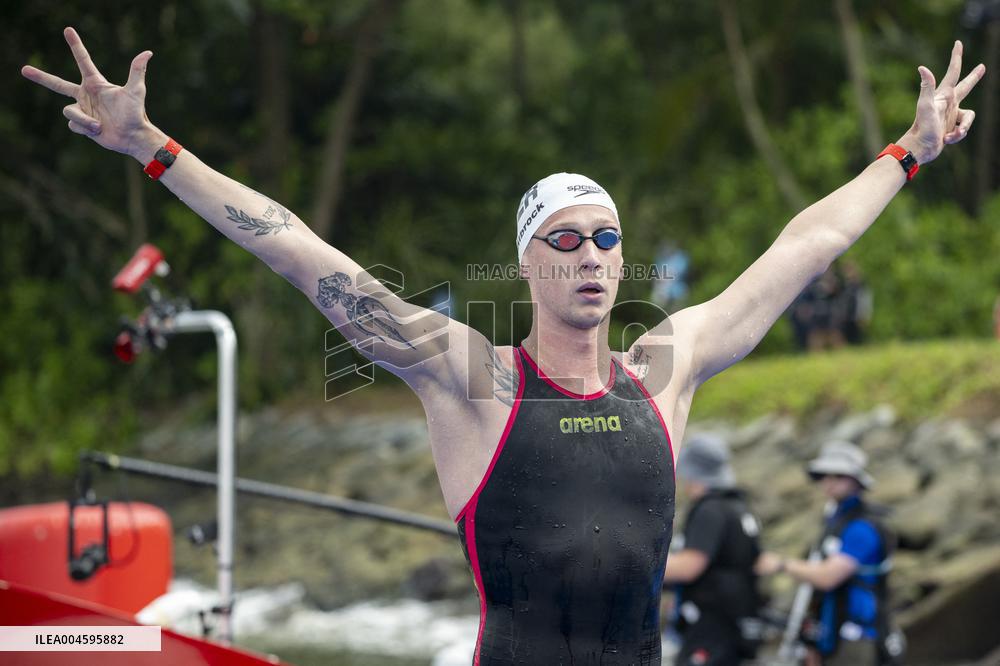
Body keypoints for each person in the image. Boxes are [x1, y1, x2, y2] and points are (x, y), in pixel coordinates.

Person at [21, 28, 982, 664]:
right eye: (565, 239)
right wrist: (156, 149)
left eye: (607, 237)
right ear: (526, 266)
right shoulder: (472, 378)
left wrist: (906, 154)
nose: (592, 256)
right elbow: (303, 256)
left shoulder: (666, 370)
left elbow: (804, 245)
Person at [757, 441, 900, 666]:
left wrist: (782, 564)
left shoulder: (862, 527)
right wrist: (815, 641)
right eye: (825, 475)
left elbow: (827, 577)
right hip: (832, 632)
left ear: (855, 480)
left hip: (858, 636)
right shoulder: (835, 520)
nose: (829, 482)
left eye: (838, 476)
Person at [663, 434, 763, 666]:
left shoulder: (710, 510)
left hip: (711, 623)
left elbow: (690, 566)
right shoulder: (740, 506)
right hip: (738, 618)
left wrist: (636, 565)